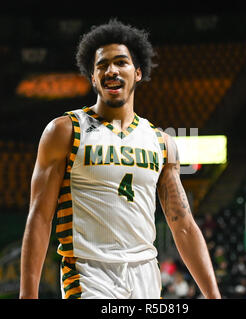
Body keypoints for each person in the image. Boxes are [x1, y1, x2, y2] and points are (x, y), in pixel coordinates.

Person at [20, 19, 221, 299]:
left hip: (146, 277)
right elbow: (40, 217)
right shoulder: (66, 131)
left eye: (120, 62)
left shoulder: (162, 143)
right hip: (89, 275)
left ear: (138, 73)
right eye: (101, 65)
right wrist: (28, 294)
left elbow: (183, 225)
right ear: (93, 77)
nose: (111, 70)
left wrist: (214, 295)